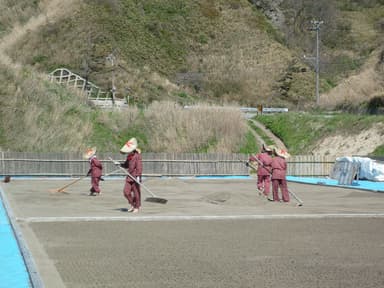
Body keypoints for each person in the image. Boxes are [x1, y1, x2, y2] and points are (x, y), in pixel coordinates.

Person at [118, 137, 143, 213]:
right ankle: (133, 204)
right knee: (126, 192)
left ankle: (137, 207)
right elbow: (126, 165)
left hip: (135, 177)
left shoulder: (137, 156)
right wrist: (119, 164)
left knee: (136, 193)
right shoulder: (129, 157)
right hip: (129, 177)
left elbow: (139, 166)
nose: (128, 152)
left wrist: (138, 176)